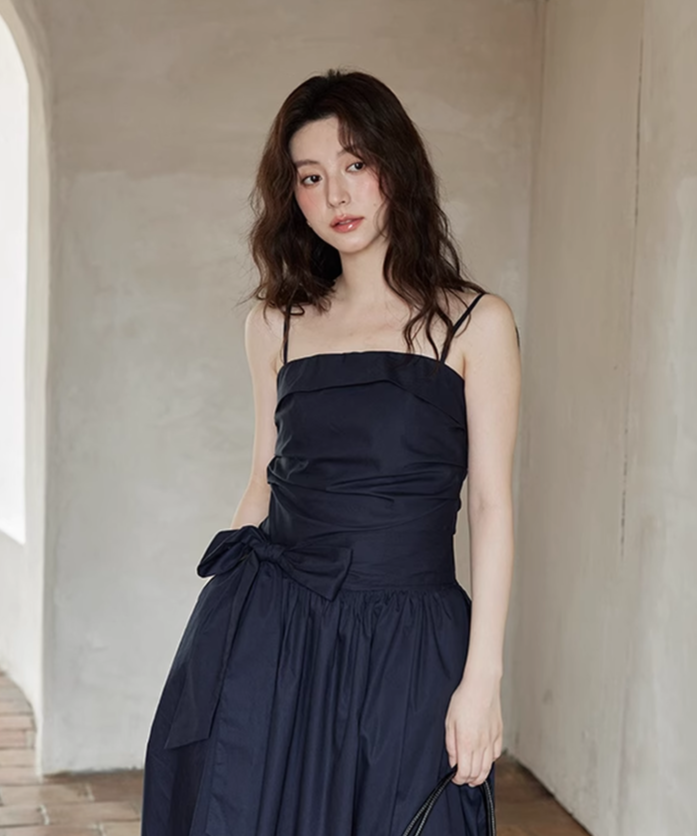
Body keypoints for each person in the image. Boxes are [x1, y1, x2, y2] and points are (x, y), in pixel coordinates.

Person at [141, 68, 521, 837]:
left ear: (396, 167)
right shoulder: (274, 324)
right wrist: (214, 639)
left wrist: (482, 678)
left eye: (355, 164)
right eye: (311, 177)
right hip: (277, 627)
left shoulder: (474, 323)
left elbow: (490, 505)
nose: (336, 195)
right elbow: (263, 478)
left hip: (409, 635)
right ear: (292, 195)